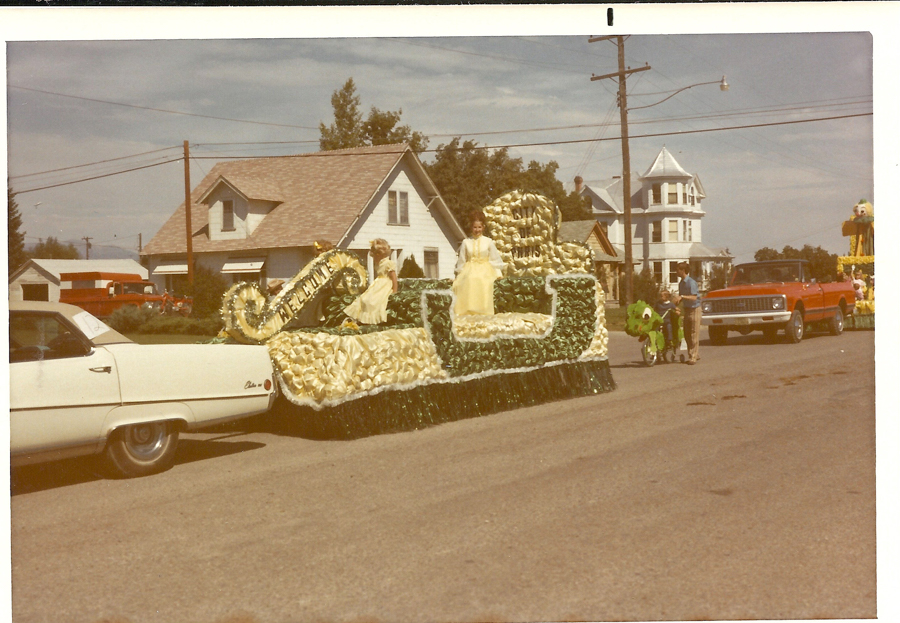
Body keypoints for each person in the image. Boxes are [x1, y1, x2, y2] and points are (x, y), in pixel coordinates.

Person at [452, 210, 505, 316]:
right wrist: (458, 276)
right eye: (475, 227)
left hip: (485, 269)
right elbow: (462, 260)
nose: (477, 230)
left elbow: (494, 259)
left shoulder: (488, 241)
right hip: (469, 268)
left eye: (479, 227)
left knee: (483, 281)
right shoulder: (466, 242)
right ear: (471, 227)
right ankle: (468, 309)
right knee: (469, 279)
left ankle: (483, 310)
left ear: (483, 227)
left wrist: (498, 273)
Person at [343, 238, 398, 325]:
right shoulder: (378, 263)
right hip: (377, 283)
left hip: (385, 285)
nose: (375, 257)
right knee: (364, 298)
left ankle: (374, 320)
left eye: (377, 255)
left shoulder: (388, 263)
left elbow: (393, 277)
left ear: (381, 254)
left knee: (374, 301)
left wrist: (394, 290)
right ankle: (362, 319)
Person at [673, 262, 701, 365]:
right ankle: (695, 354)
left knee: (694, 333)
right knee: (687, 334)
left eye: (678, 270)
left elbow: (694, 297)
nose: (676, 272)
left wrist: (683, 297)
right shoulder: (681, 283)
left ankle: (692, 357)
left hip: (695, 309)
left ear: (683, 270)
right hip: (687, 309)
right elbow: (680, 297)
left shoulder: (691, 282)